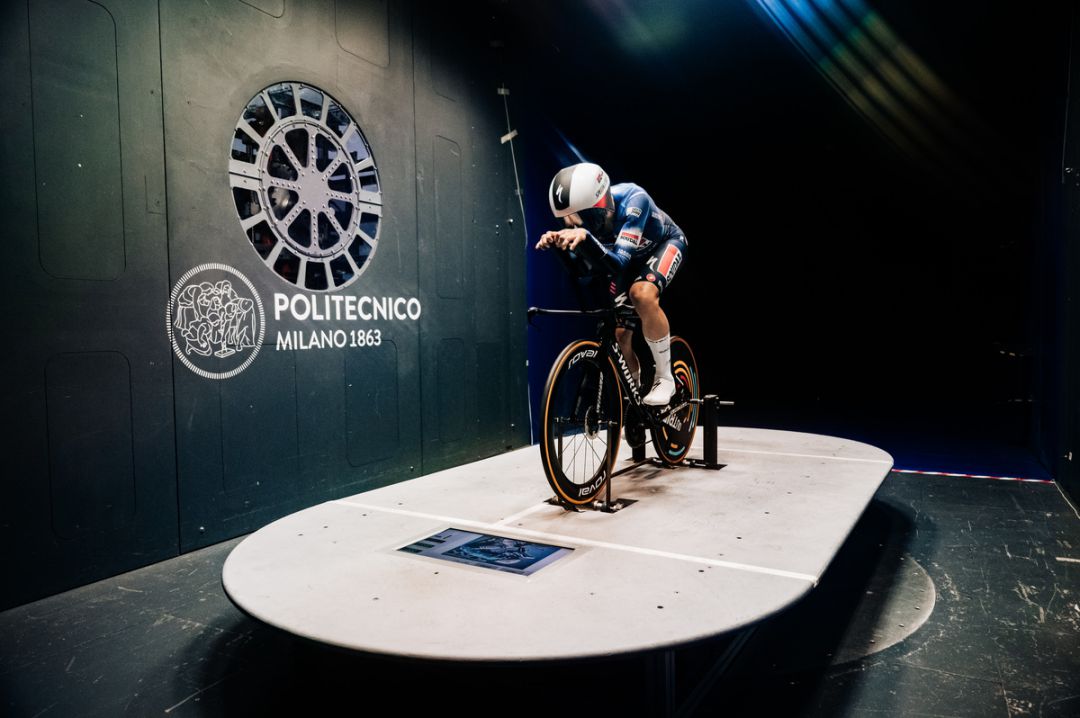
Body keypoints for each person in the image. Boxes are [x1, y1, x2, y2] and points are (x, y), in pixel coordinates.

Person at [536, 162, 687, 407]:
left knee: (642, 294)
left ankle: (665, 377)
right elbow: (584, 273)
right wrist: (558, 247)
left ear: (597, 208)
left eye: (577, 219)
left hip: (665, 243)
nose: (572, 226)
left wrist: (585, 238)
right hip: (628, 259)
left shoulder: (634, 201)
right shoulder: (591, 220)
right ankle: (635, 401)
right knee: (619, 335)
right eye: (566, 222)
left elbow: (616, 263)